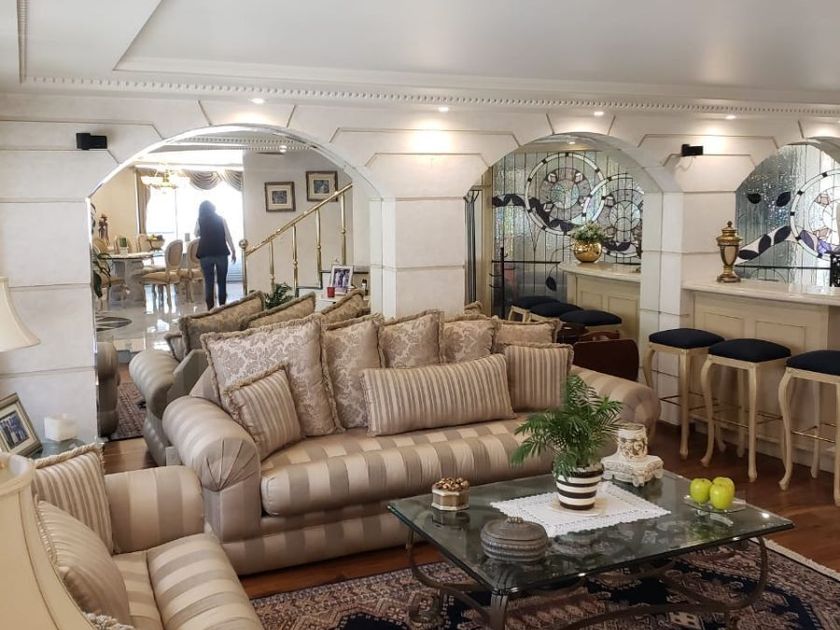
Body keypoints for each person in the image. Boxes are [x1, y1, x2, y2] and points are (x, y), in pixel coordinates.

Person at [194, 200, 236, 310]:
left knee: (209, 282)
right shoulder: (221, 219)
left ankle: (210, 309)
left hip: (205, 254)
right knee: (222, 282)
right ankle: (222, 307)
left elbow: (196, 233)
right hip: (221, 253)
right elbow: (228, 236)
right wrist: (233, 251)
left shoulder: (200, 220)